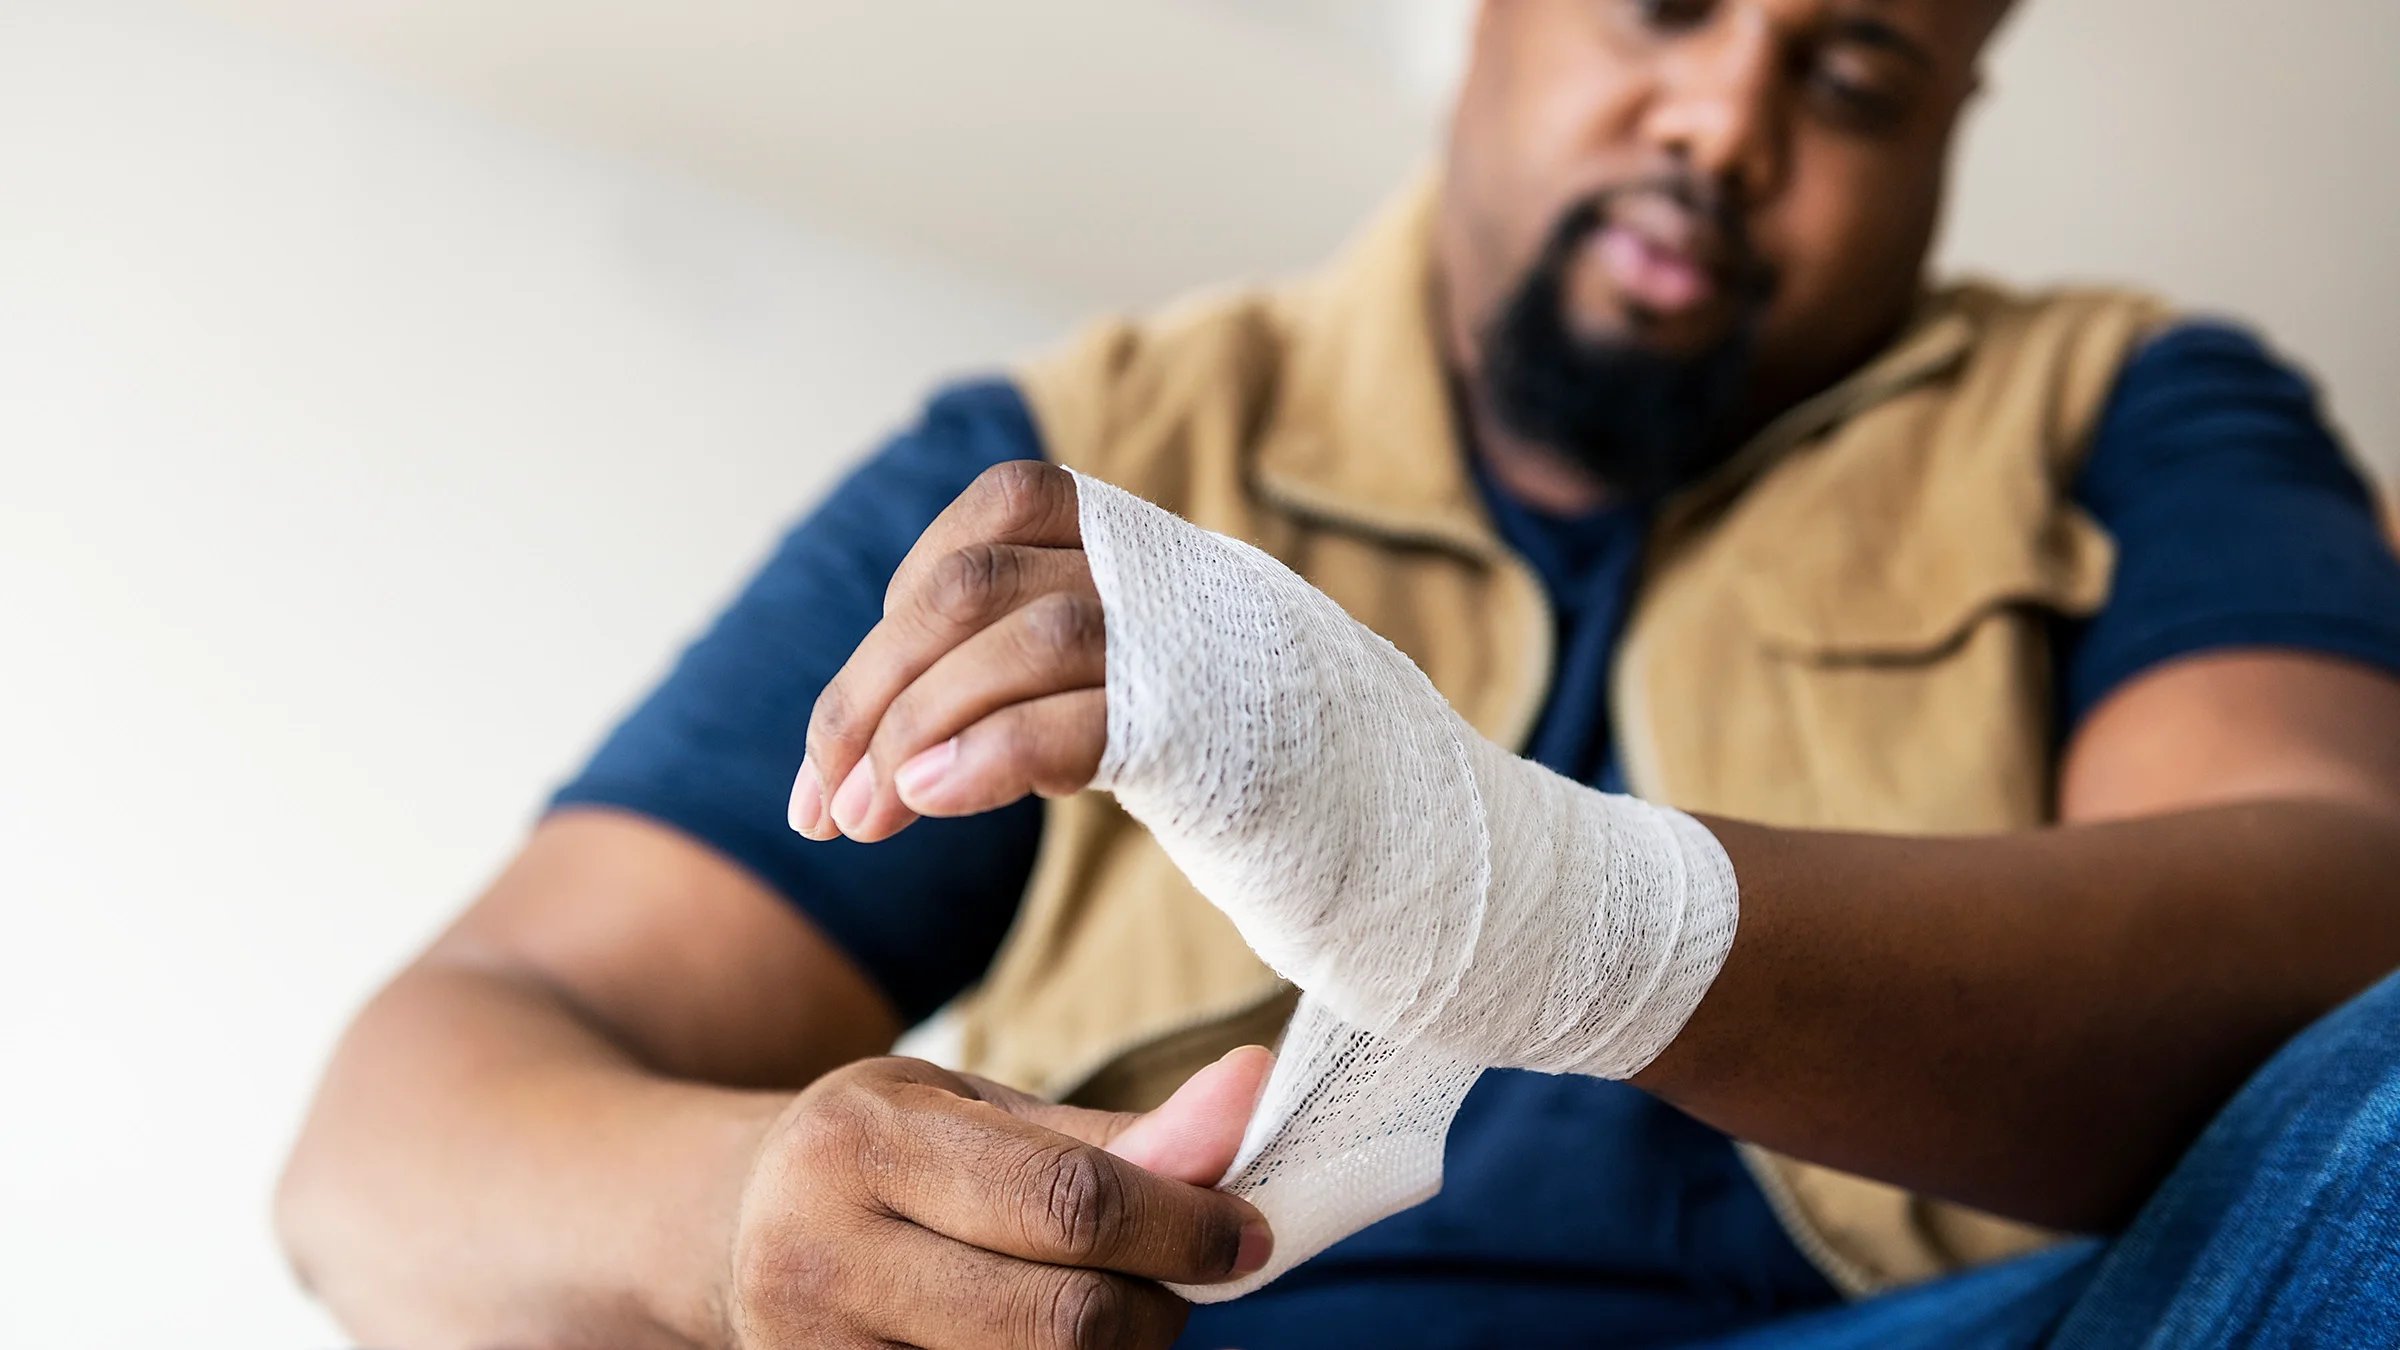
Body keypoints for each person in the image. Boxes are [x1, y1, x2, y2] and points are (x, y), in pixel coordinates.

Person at [276, 1, 2400, 1346]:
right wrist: (746, 1209)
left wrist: (1550, 912)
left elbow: (2334, 938)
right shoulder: (1072, 469)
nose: (1725, 123)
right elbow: (394, 1140)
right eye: (1664, 4)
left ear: (1953, 121)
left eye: (1851, 79)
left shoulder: (2132, 417)